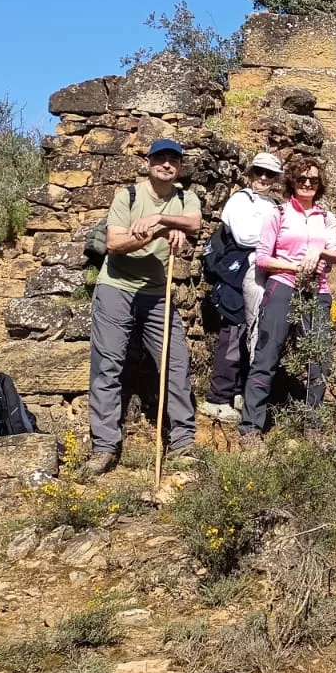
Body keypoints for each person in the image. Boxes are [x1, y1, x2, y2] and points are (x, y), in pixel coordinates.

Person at [84, 138, 202, 475]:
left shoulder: (184, 197)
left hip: (156, 292)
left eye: (173, 160)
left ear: (179, 166)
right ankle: (104, 447)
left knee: (175, 363)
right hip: (116, 287)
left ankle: (182, 441)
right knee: (108, 365)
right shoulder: (128, 196)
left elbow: (193, 224)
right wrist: (156, 234)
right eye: (160, 159)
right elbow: (115, 243)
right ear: (148, 163)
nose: (167, 164)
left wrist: (159, 222)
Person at [239, 155, 336, 446]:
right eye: (302, 179)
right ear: (292, 182)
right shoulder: (279, 214)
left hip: (318, 291)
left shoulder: (327, 217)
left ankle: (312, 426)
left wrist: (319, 255)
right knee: (267, 355)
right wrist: (294, 266)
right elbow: (262, 258)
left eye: (313, 179)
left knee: (319, 359)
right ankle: (250, 429)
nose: (308, 183)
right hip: (283, 287)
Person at [201, 152, 282, 426]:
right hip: (235, 275)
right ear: (250, 173)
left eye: (269, 174)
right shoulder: (239, 200)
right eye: (258, 172)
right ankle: (217, 398)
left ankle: (238, 392)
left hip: (260, 274)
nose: (262, 178)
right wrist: (272, 238)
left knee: (255, 332)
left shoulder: (274, 205)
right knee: (234, 331)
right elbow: (244, 235)